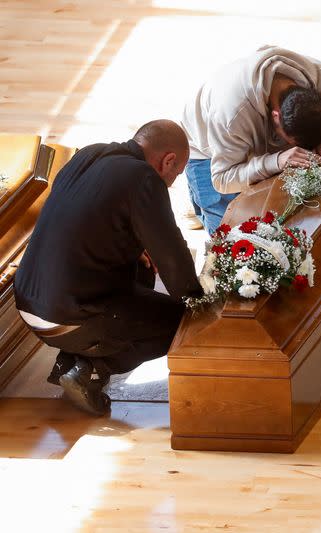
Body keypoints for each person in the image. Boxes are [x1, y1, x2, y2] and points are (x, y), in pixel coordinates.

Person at [14, 120, 202, 416]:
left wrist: (138, 249)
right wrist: (201, 306)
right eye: (176, 173)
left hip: (27, 304)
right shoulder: (144, 178)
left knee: (143, 269)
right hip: (69, 314)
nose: (173, 182)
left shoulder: (89, 154)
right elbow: (173, 260)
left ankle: (71, 358)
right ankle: (91, 368)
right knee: (182, 324)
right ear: (168, 160)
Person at [181, 45, 321, 234]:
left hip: (244, 141)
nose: (301, 150)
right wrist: (277, 161)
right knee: (228, 236)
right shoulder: (231, 114)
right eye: (292, 142)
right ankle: (198, 203)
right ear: (276, 117)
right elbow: (222, 179)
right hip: (208, 150)